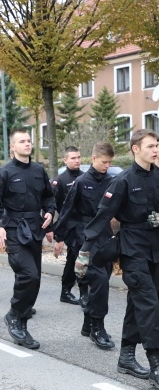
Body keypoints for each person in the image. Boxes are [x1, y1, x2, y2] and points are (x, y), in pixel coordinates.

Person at [79, 129, 159, 384]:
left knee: (139, 304)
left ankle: (126, 357)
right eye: (150, 146)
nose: (155, 149)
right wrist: (84, 251)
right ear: (136, 149)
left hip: (156, 249)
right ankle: (156, 363)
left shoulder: (158, 176)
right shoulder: (123, 180)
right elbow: (102, 215)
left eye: (157, 145)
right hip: (133, 250)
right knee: (150, 304)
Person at [0, 129, 55, 350]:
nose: (26, 144)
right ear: (13, 147)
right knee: (28, 274)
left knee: (35, 280)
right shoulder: (4, 172)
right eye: (21, 141)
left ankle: (21, 323)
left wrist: (50, 212)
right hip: (13, 230)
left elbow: (48, 197)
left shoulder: (38, 170)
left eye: (28, 141)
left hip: (34, 230)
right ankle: (14, 315)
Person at [54, 142, 115, 350]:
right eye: (104, 162)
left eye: (110, 162)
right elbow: (67, 210)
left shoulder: (112, 181)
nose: (107, 165)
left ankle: (88, 322)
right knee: (99, 279)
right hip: (84, 234)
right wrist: (59, 237)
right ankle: (98, 327)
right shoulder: (81, 182)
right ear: (94, 159)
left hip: (105, 234)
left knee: (104, 277)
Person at [51, 146, 88, 307]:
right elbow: (54, 205)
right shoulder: (60, 180)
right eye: (73, 158)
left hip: (84, 225)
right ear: (65, 160)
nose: (77, 160)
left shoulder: (84, 177)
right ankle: (81, 293)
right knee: (79, 257)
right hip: (70, 226)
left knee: (73, 258)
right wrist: (57, 234)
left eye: (78, 157)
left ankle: (66, 291)